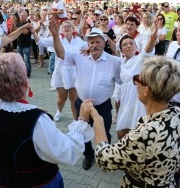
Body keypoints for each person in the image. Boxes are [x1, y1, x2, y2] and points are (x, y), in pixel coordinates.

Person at [0, 53, 94, 187]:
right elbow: (66, 152)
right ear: (25, 82)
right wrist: (82, 120)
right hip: (31, 181)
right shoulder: (37, 121)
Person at [90, 56, 180, 187]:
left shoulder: (144, 133)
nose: (136, 84)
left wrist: (97, 119)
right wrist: (173, 158)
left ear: (146, 90)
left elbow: (104, 160)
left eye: (137, 79)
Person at [50, 19, 122, 170]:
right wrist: (56, 35)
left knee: (104, 132)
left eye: (97, 42)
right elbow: (61, 53)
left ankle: (104, 156)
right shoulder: (79, 56)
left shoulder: (114, 61)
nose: (94, 45)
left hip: (102, 106)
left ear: (104, 43)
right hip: (81, 105)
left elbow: (124, 78)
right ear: (87, 45)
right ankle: (89, 156)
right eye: (91, 42)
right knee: (82, 133)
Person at [32, 20, 88, 122]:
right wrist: (33, 31)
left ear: (73, 29)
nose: (66, 28)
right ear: (61, 29)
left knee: (74, 98)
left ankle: (75, 118)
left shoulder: (79, 41)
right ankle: (59, 110)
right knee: (61, 98)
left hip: (75, 74)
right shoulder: (56, 38)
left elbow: (88, 48)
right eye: (64, 26)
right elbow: (41, 42)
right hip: (61, 72)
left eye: (68, 26)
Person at [115, 20, 157, 139]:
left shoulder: (140, 59)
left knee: (137, 134)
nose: (128, 46)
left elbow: (147, 51)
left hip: (138, 101)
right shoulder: (121, 62)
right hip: (125, 100)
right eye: (125, 45)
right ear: (121, 50)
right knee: (121, 132)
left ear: (136, 46)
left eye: (131, 43)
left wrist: (153, 37)